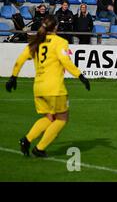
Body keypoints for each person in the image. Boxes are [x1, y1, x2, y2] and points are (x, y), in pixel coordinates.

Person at [5, 15, 90, 157]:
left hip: (38, 88)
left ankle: (26, 140)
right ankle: (39, 148)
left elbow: (20, 59)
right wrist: (80, 76)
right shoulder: (59, 42)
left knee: (49, 118)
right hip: (54, 87)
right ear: (55, 27)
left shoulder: (36, 41)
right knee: (62, 118)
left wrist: (13, 77)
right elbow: (65, 60)